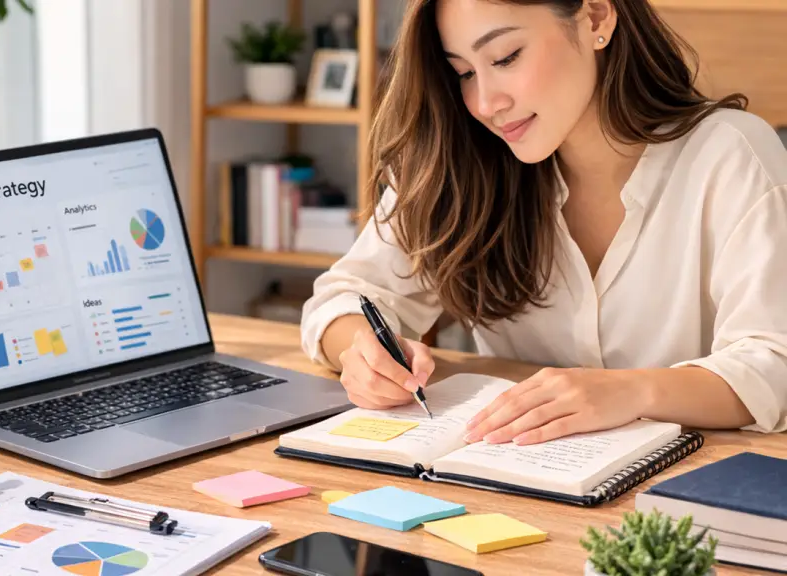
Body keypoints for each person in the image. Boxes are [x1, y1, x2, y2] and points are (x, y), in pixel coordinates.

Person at [300, 0, 787, 446]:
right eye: (464, 73)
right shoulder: (461, 162)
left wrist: (632, 391)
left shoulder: (730, 155)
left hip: (685, 503)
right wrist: (361, 354)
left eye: (506, 57)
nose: (486, 103)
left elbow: (774, 365)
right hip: (514, 485)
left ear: (596, 17)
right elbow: (343, 298)